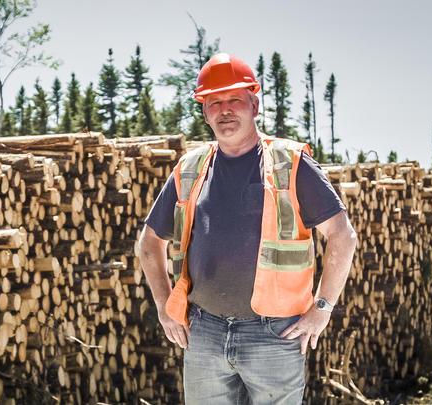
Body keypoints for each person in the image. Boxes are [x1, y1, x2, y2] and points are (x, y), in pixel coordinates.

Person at [138, 53, 358, 404]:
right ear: (205, 111)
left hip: (275, 333)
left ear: (254, 104)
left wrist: (322, 309)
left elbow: (343, 237)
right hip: (204, 330)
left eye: (235, 99)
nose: (225, 110)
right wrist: (165, 306)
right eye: (215, 102)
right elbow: (149, 243)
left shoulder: (291, 163)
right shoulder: (189, 168)